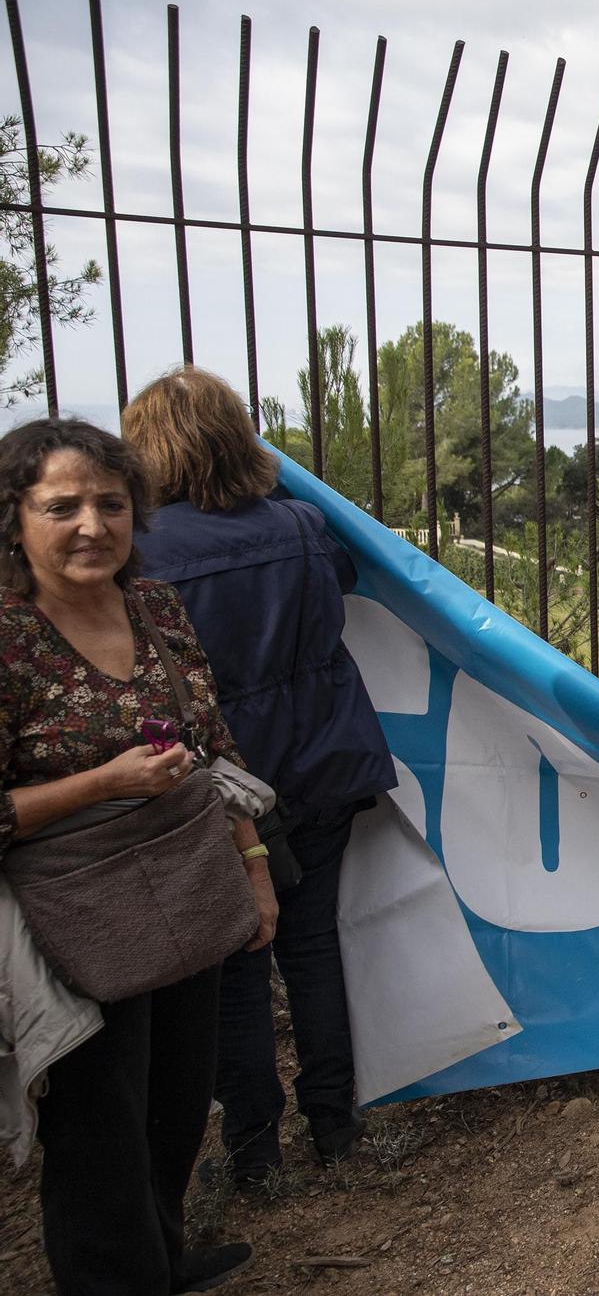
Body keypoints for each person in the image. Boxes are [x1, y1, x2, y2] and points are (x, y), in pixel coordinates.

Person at [0, 418, 274, 1293]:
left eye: (111, 503)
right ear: (16, 517)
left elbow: (211, 744)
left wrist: (255, 865)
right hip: (72, 916)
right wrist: (100, 784)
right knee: (96, 1126)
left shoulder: (154, 605)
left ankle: (160, 1254)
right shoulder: (8, 636)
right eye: (62, 505)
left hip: (185, 885)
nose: (92, 524)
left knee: (176, 1098)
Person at [124, 367, 397, 1191]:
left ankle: (254, 1150)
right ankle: (335, 1122)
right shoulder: (303, 524)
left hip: (225, 781)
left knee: (237, 964)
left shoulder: (145, 553)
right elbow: (352, 581)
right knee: (315, 945)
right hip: (326, 757)